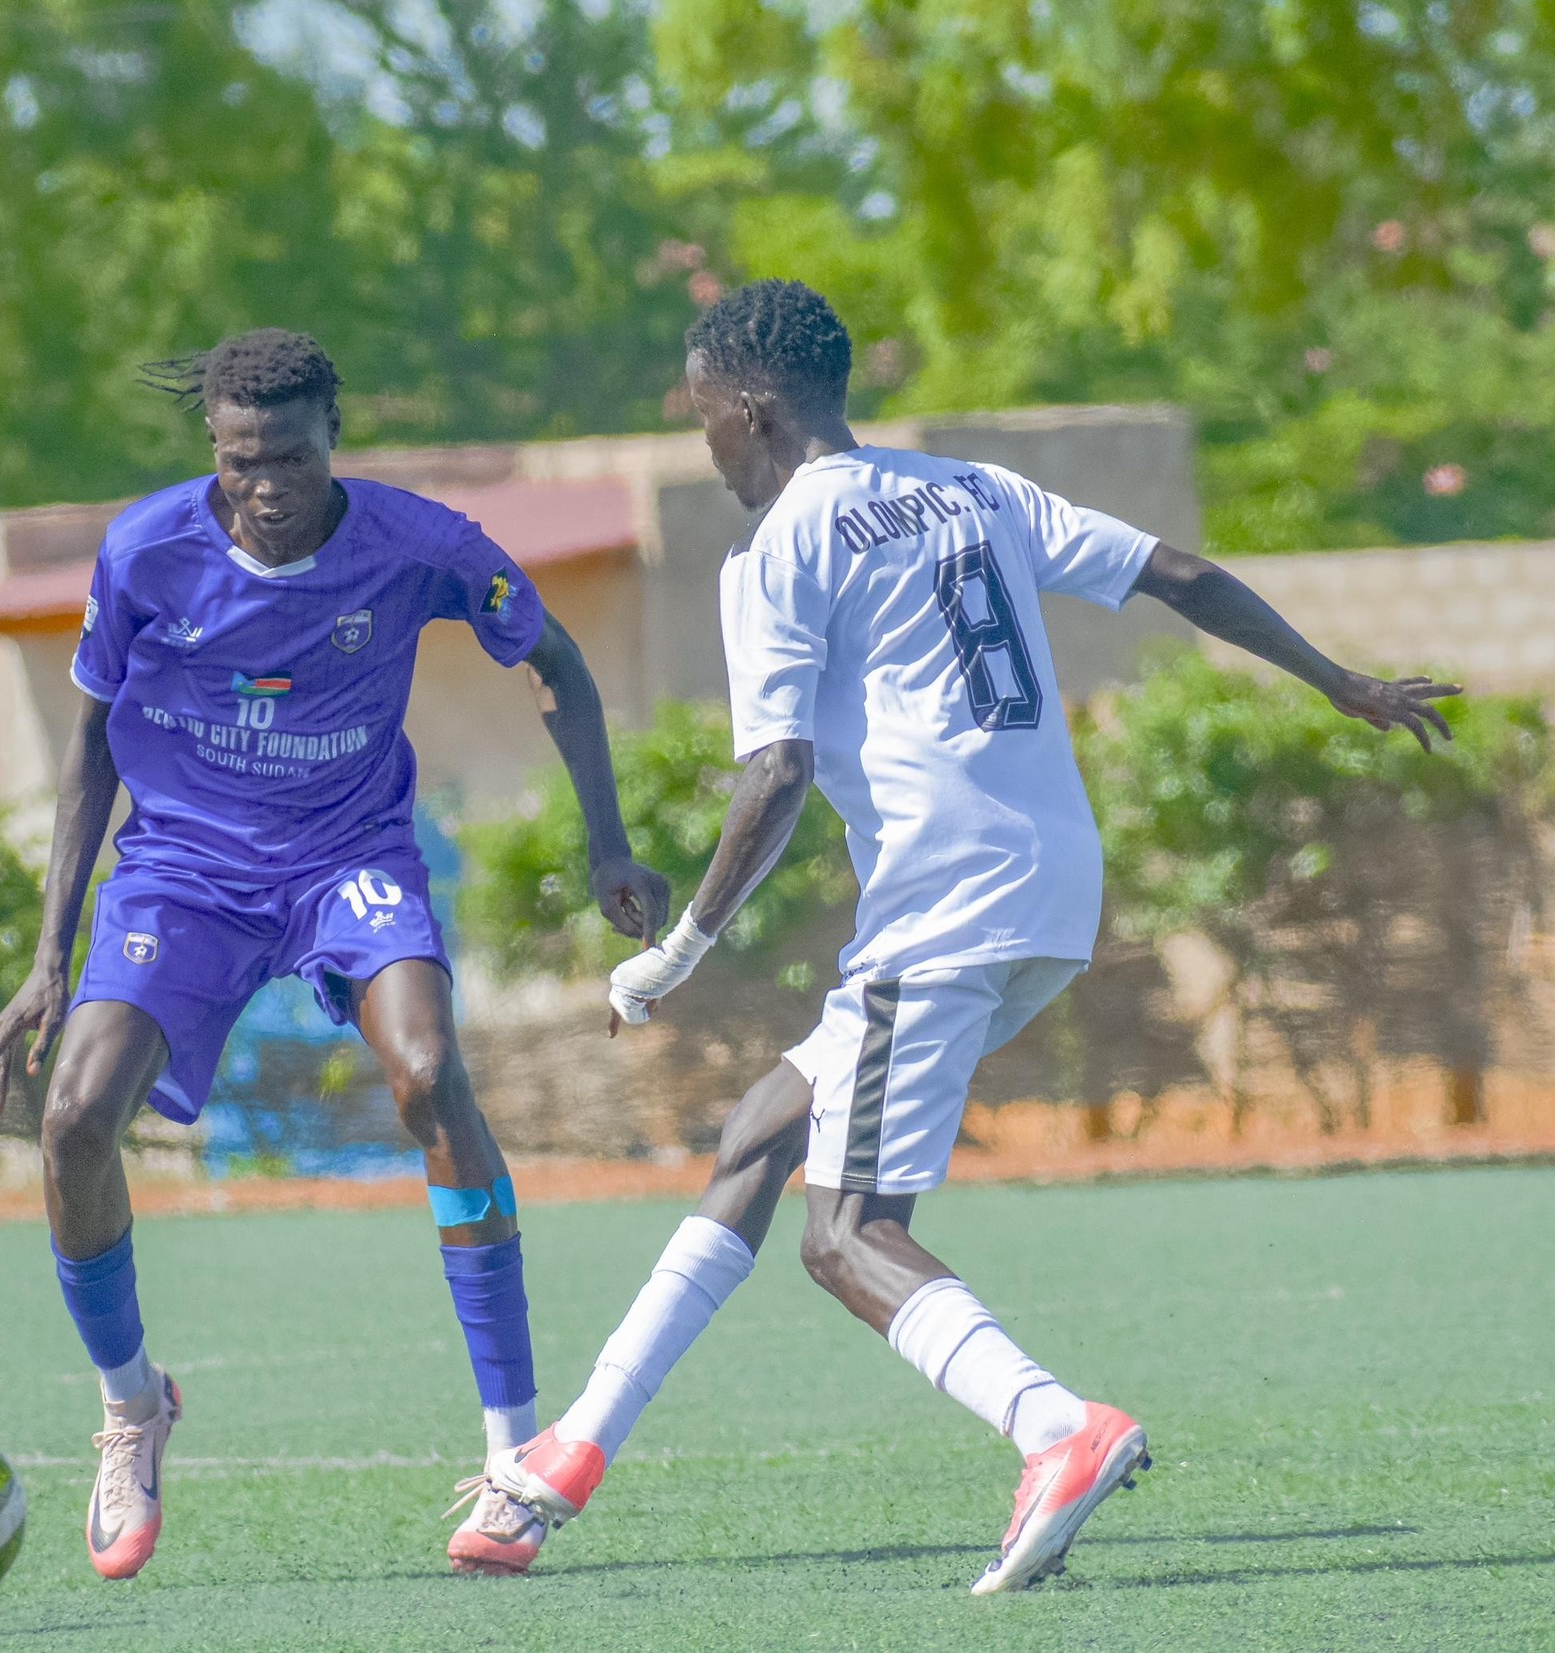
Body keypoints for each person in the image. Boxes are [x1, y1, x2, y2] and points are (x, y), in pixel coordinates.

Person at [470, 280, 1458, 1591]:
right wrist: (1339, 682)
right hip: (1052, 886)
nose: (702, 441)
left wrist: (676, 951)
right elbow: (1178, 574)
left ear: (750, 409)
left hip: (939, 904)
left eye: (701, 414)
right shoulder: (971, 488)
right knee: (760, 1134)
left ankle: (1054, 1427)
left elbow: (774, 771)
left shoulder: (777, 549)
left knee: (844, 1235)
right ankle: (567, 1456)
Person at [0, 328, 669, 1582]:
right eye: (240, 460)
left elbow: (554, 659)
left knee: (430, 1076)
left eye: (289, 456)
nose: (265, 485)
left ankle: (515, 1456)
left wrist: (608, 843)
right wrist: (47, 955)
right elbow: (89, 742)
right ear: (213, 447)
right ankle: (132, 1408)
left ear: (331, 438)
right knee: (72, 1118)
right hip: (183, 872)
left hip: (346, 857)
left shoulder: (419, 545)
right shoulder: (143, 551)